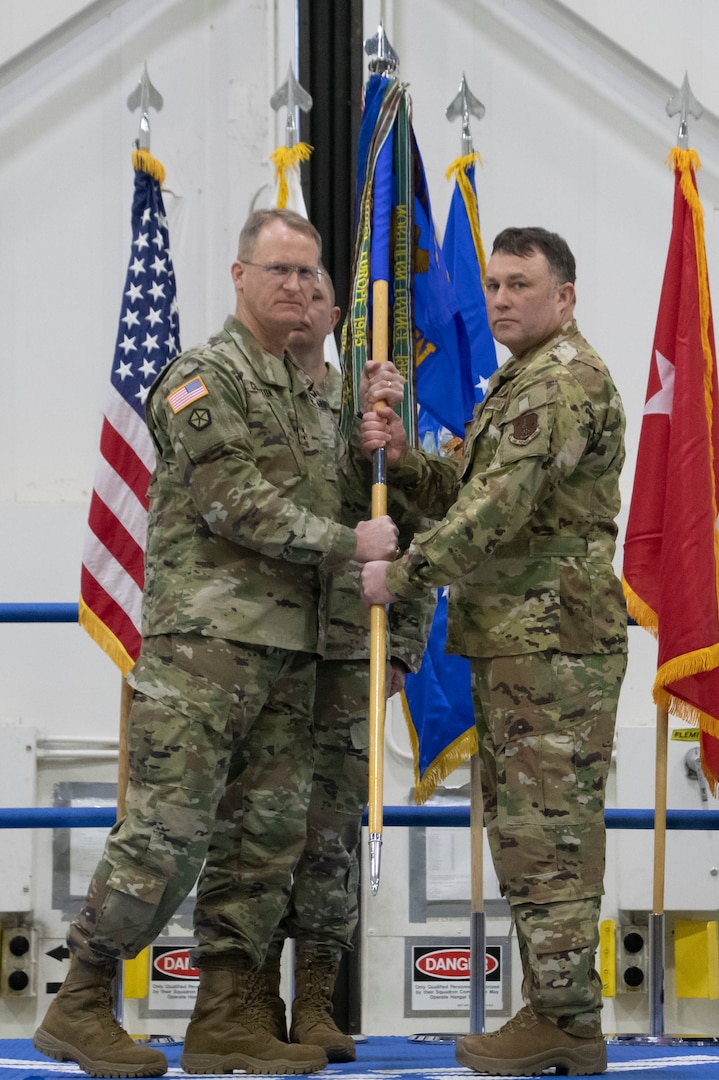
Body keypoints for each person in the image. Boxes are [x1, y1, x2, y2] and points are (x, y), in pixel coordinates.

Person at [33, 208, 399, 1079]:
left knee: (261, 844)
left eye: (312, 275)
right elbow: (236, 501)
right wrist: (350, 543)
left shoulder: (313, 393)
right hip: (207, 649)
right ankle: (80, 1000)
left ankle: (225, 1014)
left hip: (290, 653)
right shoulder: (203, 377)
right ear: (239, 277)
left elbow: (344, 477)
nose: (299, 287)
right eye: (280, 270)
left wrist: (372, 420)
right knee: (167, 832)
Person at [360, 227, 627, 1077]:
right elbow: (468, 491)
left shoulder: (559, 385)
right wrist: (403, 463)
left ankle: (566, 1018)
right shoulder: (517, 383)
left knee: (546, 831)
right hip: (518, 640)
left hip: (552, 644)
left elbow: (492, 515)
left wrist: (400, 575)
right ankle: (557, 1010)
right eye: (495, 284)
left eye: (521, 284)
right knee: (521, 829)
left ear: (565, 296)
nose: (504, 298)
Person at [254, 272, 431, 1062]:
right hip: (262, 652)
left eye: (315, 294)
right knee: (254, 831)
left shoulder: (368, 421)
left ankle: (317, 1000)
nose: (299, 304)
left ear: (334, 316)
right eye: (283, 287)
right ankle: (251, 996)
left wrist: (398, 647)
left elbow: (414, 533)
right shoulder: (248, 399)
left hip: (343, 653)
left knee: (329, 835)